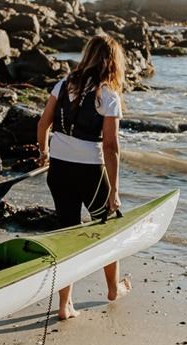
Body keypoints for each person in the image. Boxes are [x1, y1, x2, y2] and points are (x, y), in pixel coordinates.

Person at [36, 34, 131, 320]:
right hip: (89, 172)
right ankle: (113, 289)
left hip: (59, 170)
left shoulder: (64, 84)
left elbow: (43, 123)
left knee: (67, 234)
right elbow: (111, 147)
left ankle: (64, 305)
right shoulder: (108, 95)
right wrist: (114, 191)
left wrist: (44, 153)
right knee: (109, 229)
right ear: (112, 62)